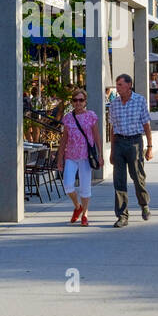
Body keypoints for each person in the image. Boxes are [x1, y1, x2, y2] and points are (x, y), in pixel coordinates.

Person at [107, 73, 153, 227]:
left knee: (138, 177)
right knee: (119, 180)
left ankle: (144, 204)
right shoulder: (114, 104)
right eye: (117, 84)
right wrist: (112, 151)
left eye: (120, 84)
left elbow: (146, 125)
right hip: (119, 142)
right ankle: (122, 216)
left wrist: (150, 147)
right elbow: (112, 128)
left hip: (135, 142)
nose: (117, 87)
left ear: (129, 85)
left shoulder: (139, 101)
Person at [56, 90, 100, 226]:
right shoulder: (68, 118)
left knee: (85, 186)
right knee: (68, 185)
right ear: (72, 102)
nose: (78, 103)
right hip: (71, 155)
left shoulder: (91, 116)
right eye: (75, 100)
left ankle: (85, 214)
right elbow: (64, 139)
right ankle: (77, 206)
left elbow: (96, 136)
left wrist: (101, 155)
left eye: (81, 100)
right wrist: (60, 157)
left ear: (85, 101)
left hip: (86, 156)